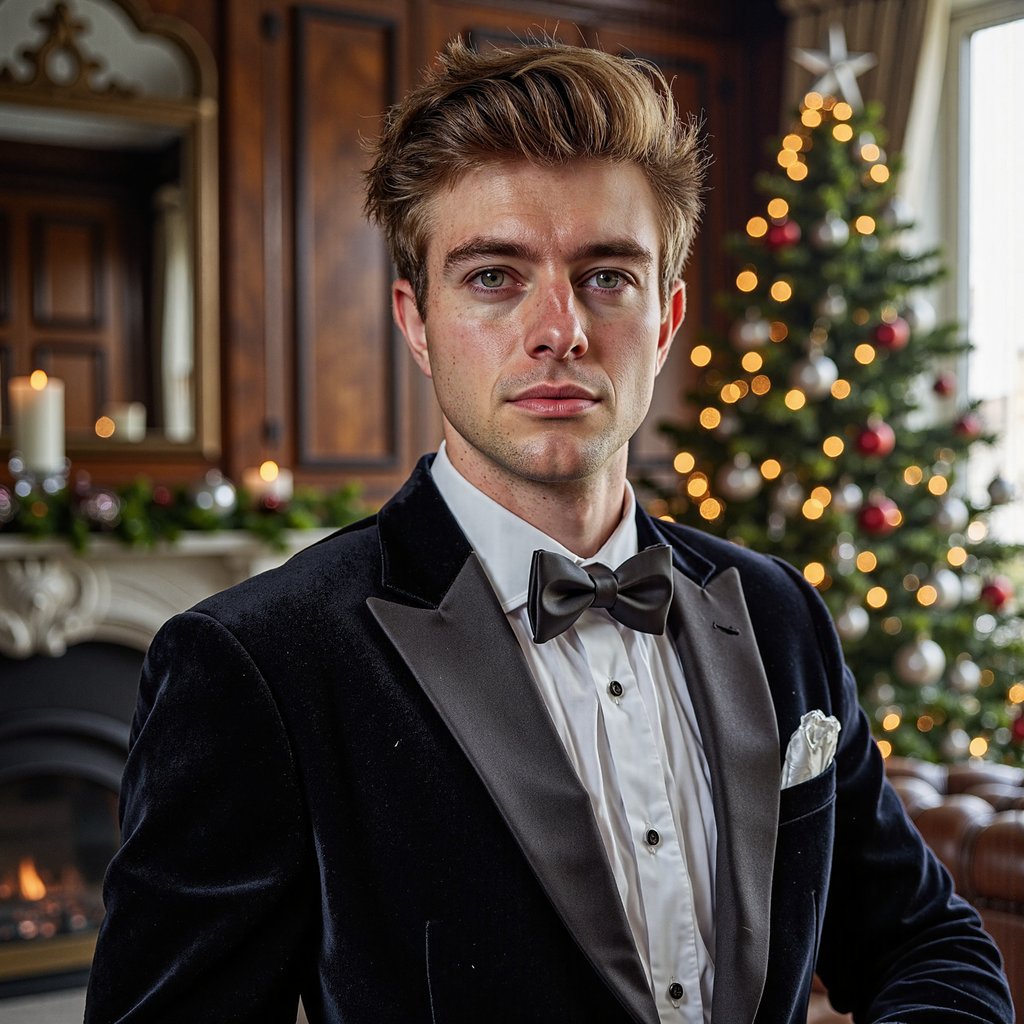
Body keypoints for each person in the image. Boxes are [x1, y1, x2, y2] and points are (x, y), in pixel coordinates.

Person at [85, 38, 1013, 1024]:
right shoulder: (257, 664)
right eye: (493, 276)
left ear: (666, 318)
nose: (558, 328)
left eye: (607, 275)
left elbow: (932, 944)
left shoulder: (777, 611)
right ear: (415, 320)